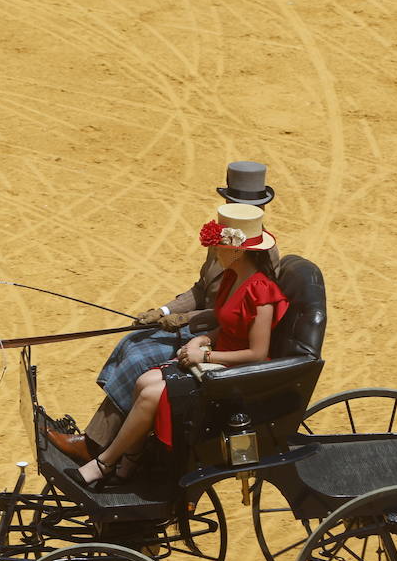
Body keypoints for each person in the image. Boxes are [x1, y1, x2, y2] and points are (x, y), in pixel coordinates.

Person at [46, 160, 278, 461]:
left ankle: (96, 445)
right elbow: (200, 289)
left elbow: (236, 312)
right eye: (231, 203)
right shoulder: (224, 237)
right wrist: (164, 309)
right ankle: (114, 437)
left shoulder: (259, 253)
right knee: (131, 342)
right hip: (203, 330)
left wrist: (185, 320)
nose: (232, 210)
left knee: (138, 359)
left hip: (215, 335)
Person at [69, 203, 288, 487]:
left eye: (220, 246)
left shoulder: (262, 292)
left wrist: (205, 353)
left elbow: (257, 354)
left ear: (238, 249)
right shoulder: (233, 277)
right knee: (143, 381)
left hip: (237, 376)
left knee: (151, 394)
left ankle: (104, 463)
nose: (215, 251)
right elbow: (227, 325)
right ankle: (130, 464)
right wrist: (203, 338)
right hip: (216, 359)